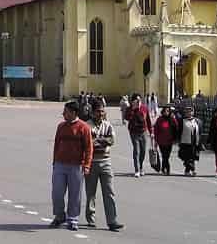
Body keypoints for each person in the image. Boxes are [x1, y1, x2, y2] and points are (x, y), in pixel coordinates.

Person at [50, 101, 93, 232]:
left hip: (76, 166)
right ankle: (59, 215)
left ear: (74, 113)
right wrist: (54, 162)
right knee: (57, 192)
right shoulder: (61, 126)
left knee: (75, 194)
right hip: (60, 164)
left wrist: (87, 165)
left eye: (66, 111)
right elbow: (56, 144)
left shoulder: (83, 127)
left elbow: (89, 148)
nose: (63, 114)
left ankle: (72, 218)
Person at [84, 101, 123, 232]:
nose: (100, 114)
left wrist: (98, 140)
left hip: (106, 161)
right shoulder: (87, 126)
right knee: (91, 193)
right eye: (98, 111)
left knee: (109, 192)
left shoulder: (108, 125)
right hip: (92, 162)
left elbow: (112, 141)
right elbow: (88, 144)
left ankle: (112, 220)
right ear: (92, 112)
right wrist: (102, 140)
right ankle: (91, 218)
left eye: (102, 111)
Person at [124, 93, 153, 177]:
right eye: (136, 100)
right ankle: (136, 170)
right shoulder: (130, 108)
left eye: (139, 100)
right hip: (134, 132)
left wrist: (151, 132)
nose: (138, 101)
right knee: (136, 150)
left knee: (143, 150)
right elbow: (127, 118)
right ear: (132, 101)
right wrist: (133, 109)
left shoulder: (144, 108)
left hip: (143, 131)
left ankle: (141, 167)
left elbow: (148, 120)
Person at [177, 105, 202, 176]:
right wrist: (179, 141)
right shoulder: (182, 121)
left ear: (193, 112)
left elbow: (200, 131)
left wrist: (199, 141)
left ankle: (188, 170)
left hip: (194, 141)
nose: (189, 113)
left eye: (190, 111)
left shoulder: (197, 121)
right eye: (187, 112)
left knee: (193, 157)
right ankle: (192, 169)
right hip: (185, 142)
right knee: (187, 157)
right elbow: (179, 131)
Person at [154, 106, 178, 175]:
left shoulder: (172, 119)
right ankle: (167, 169)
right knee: (164, 155)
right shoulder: (159, 119)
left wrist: (175, 138)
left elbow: (176, 127)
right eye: (165, 111)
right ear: (163, 112)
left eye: (168, 111)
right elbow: (156, 130)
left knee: (167, 156)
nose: (166, 112)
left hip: (169, 141)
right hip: (161, 141)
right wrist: (155, 140)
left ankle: (163, 168)